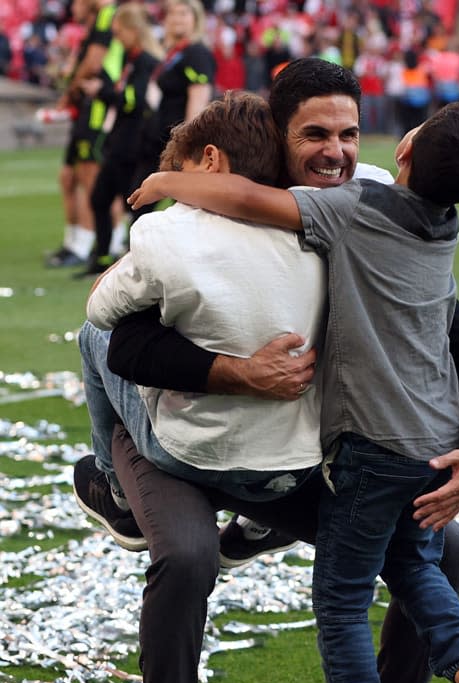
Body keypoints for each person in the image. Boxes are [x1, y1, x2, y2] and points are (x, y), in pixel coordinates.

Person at [74, 59, 459, 683]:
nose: (335, 149)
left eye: (348, 133)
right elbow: (121, 340)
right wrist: (233, 372)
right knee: (186, 555)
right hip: (187, 440)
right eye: (314, 134)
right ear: (276, 137)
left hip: (298, 452)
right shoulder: (204, 224)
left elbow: (458, 342)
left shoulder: (368, 209)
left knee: (446, 542)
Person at [80, 92, 326, 510]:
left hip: (194, 454)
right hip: (299, 459)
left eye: (185, 170)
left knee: (92, 336)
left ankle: (114, 488)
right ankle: (260, 524)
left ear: (210, 159)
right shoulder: (325, 216)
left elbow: (98, 309)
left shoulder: (168, 229)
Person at [75, 3, 163, 278]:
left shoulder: (146, 61)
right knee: (102, 198)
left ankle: (133, 260)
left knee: (133, 204)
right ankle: (105, 257)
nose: (117, 38)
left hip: (133, 142)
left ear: (134, 31)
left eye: (120, 32)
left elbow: (133, 101)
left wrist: (102, 91)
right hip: (121, 140)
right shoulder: (132, 59)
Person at [45, 0, 122, 269]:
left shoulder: (108, 14)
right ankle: (79, 242)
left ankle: (99, 243)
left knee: (93, 179)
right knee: (70, 177)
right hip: (87, 106)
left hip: (98, 108)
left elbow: (94, 61)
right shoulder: (100, 20)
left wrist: (70, 91)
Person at [127, 0, 214, 224]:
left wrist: (186, 144)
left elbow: (198, 102)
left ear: (196, 19)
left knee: (164, 204)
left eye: (184, 13)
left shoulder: (196, 53)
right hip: (159, 139)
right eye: (173, 13)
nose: (177, 18)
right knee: (140, 201)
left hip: (175, 143)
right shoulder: (172, 52)